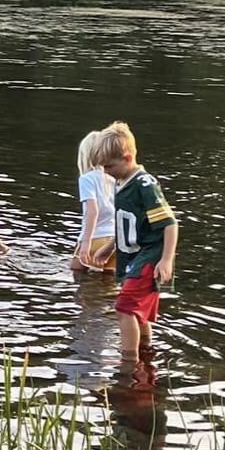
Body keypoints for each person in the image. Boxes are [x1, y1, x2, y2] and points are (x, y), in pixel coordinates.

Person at [91, 121, 178, 359]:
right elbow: (126, 223)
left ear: (127, 158)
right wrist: (109, 248)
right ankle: (146, 352)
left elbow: (170, 223)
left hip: (150, 256)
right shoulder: (121, 182)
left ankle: (128, 361)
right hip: (133, 255)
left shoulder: (144, 185)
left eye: (109, 166)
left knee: (124, 307)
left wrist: (167, 260)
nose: (106, 172)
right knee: (138, 312)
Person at [71, 129, 116, 272]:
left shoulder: (87, 179)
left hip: (95, 238)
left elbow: (93, 211)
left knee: (76, 274)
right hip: (113, 240)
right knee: (108, 284)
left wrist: (86, 242)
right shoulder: (113, 178)